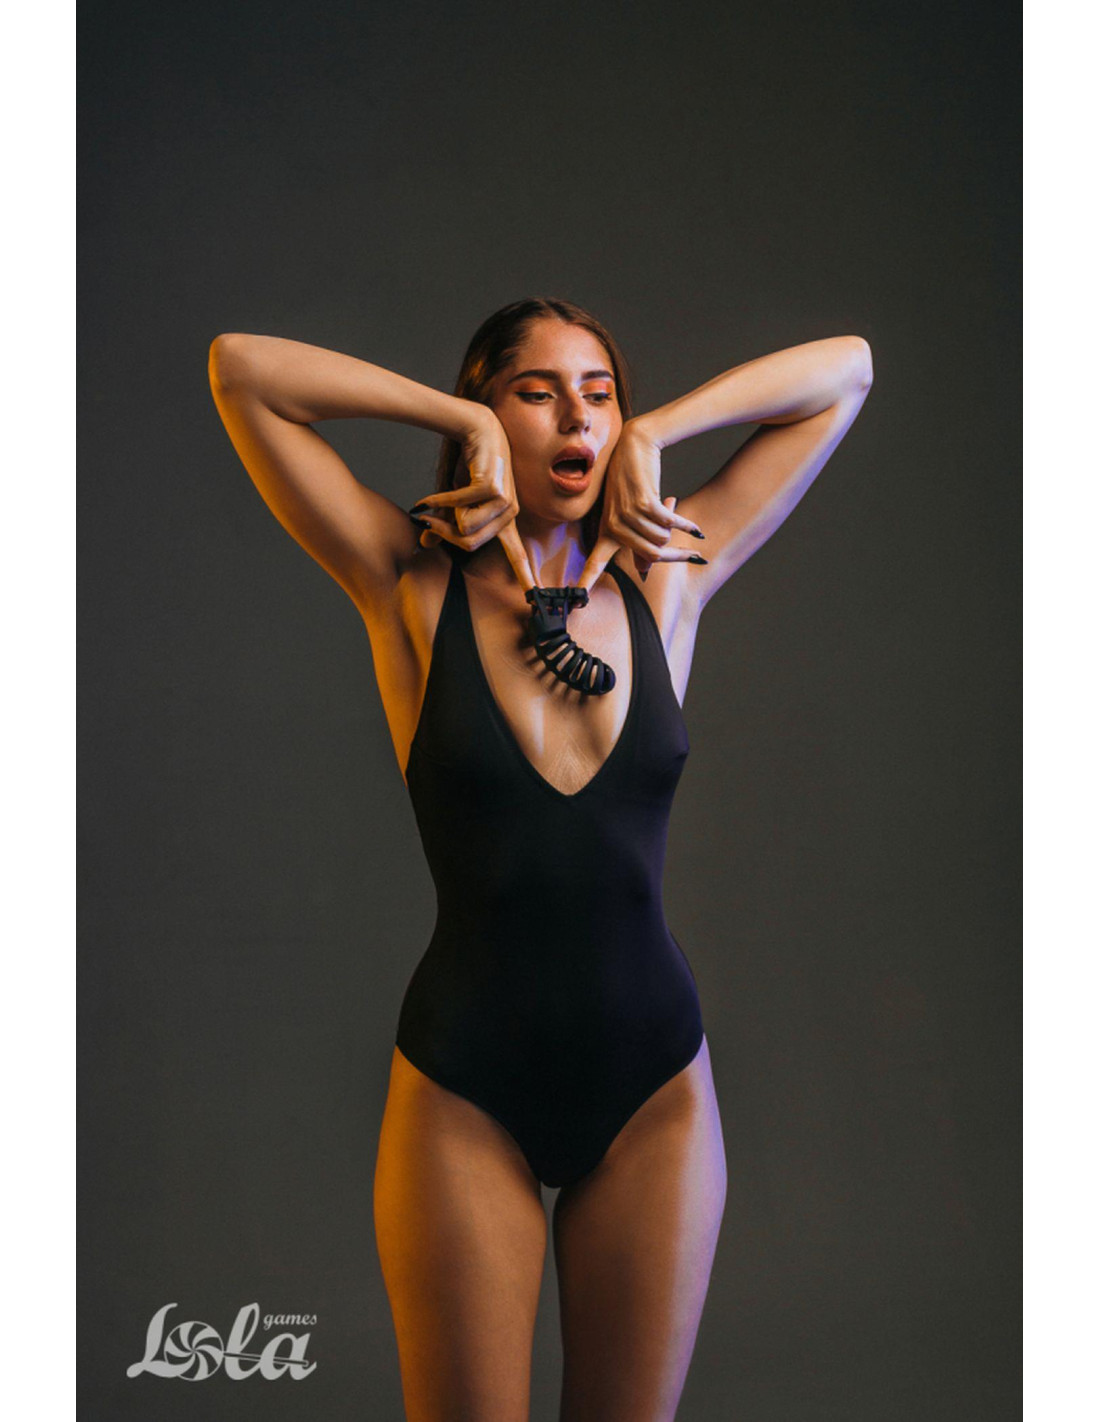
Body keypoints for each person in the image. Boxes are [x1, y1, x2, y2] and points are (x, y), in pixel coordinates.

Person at [208, 297, 873, 1421]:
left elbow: (845, 371)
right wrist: (453, 420)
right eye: (537, 393)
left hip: (654, 1093)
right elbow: (243, 370)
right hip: (466, 1090)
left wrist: (659, 429)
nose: (579, 417)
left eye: (598, 395)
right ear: (489, 413)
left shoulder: (669, 575)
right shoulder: (406, 581)